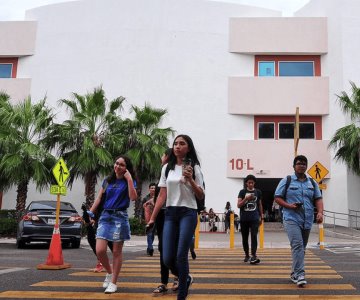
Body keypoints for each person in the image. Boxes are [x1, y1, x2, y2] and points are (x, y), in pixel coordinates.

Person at [147, 134, 205, 300]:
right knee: (167, 258)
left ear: (188, 148)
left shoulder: (195, 167)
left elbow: (200, 195)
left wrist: (190, 180)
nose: (177, 146)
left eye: (182, 143)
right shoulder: (167, 168)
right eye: (175, 144)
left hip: (188, 212)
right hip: (170, 213)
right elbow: (161, 195)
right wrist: (152, 218)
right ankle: (185, 277)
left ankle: (181, 295)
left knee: (181, 255)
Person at [89, 155, 137, 294]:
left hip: (120, 217)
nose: (118, 166)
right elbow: (99, 198)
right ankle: (109, 272)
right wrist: (91, 213)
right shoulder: (107, 180)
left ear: (126, 168)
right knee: (100, 250)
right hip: (105, 216)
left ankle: (114, 282)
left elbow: (133, 197)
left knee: (116, 252)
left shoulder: (130, 181)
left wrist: (128, 179)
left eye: (122, 165)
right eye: (116, 163)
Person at [274, 155, 323, 287]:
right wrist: (289, 206)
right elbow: (277, 197)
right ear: (294, 166)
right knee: (297, 245)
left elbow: (318, 199)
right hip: (291, 218)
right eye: (299, 163)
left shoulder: (312, 182)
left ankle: (294, 272)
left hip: (307, 220)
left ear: (306, 166)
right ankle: (300, 274)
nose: (301, 165)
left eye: (304, 164)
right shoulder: (287, 180)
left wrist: (320, 212)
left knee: (302, 248)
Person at [237, 174, 264, 264]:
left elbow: (260, 204)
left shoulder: (258, 192)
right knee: (245, 238)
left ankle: (254, 255)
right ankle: (246, 254)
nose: (251, 184)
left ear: (254, 183)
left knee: (254, 237)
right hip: (244, 218)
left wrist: (262, 216)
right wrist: (246, 199)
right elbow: (238, 205)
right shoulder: (242, 192)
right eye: (249, 183)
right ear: (246, 183)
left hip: (254, 218)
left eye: (252, 183)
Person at [81, 202, 113, 272]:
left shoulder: (103, 213)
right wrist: (88, 220)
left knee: (112, 247)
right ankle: (101, 263)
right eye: (91, 206)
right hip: (93, 232)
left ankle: (114, 262)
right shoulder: (90, 214)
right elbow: (87, 223)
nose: (92, 208)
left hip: (106, 230)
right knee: (97, 249)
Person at [142, 183, 156, 256]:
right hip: (148, 219)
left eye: (154, 188)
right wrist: (142, 218)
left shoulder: (158, 197)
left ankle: (149, 248)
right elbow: (142, 209)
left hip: (157, 218)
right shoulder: (145, 198)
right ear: (149, 189)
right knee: (149, 233)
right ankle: (150, 248)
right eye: (151, 188)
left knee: (152, 234)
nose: (153, 189)